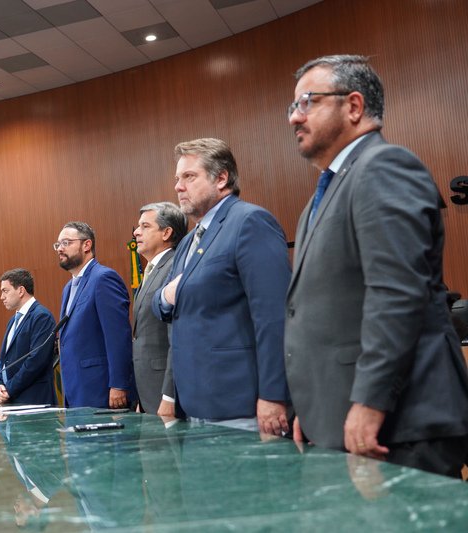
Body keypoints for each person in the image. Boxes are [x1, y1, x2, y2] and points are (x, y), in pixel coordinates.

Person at [284, 54, 468, 476]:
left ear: (353, 106)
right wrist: (313, 409)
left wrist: (369, 402)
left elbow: (396, 296)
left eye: (308, 101)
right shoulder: (323, 195)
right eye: (293, 106)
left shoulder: (384, 167)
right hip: (342, 415)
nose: (295, 117)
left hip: (399, 420)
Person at [153, 138, 291, 435]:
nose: (178, 187)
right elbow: (163, 306)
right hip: (194, 406)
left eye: (189, 177)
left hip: (240, 406)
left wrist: (273, 394)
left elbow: (274, 317)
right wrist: (165, 295)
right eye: (177, 178)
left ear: (221, 178)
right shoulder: (188, 242)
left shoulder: (250, 222)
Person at [55, 221, 134, 408]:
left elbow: (118, 336)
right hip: (75, 390)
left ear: (87, 245)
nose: (59, 249)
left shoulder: (103, 278)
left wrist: (119, 384)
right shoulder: (68, 288)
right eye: (57, 244)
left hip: (101, 389)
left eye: (66, 243)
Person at [131, 201, 186, 415]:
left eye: (145, 226)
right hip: (149, 392)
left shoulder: (174, 266)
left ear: (166, 233)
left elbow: (176, 336)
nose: (136, 232)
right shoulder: (152, 270)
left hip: (166, 391)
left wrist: (169, 395)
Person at [0, 268, 57, 406]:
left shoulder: (42, 316)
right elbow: (3, 359)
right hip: (11, 399)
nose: (1, 297)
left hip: (34, 400)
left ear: (21, 291)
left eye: (5, 291)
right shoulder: (12, 320)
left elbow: (36, 361)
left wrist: (9, 388)